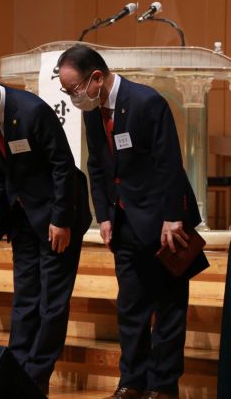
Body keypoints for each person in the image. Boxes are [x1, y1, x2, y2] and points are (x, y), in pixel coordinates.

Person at [56, 44, 209, 399]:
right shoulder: (93, 110)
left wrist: (172, 217)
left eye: (73, 90)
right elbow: (98, 165)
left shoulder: (146, 102)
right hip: (123, 222)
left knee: (169, 307)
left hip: (162, 221)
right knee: (130, 307)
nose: (72, 97)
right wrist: (105, 216)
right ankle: (132, 381)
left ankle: (163, 387)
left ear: (96, 78)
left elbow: (168, 162)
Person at [0, 64, 92, 395]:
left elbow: (62, 167)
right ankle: (16, 367)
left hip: (57, 214)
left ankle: (36, 375)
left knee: (51, 301)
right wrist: (0, 210)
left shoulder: (31, 111)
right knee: (25, 296)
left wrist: (61, 219)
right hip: (22, 217)